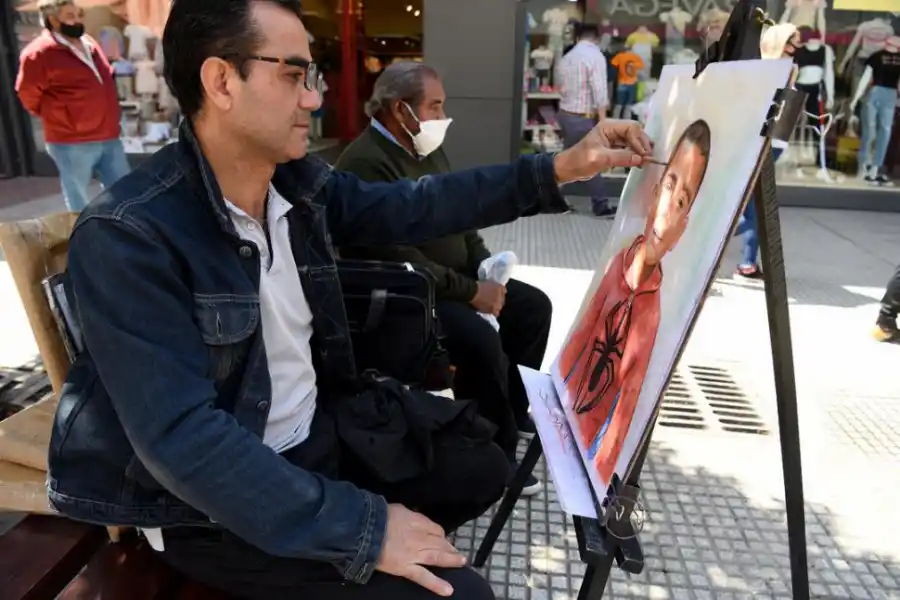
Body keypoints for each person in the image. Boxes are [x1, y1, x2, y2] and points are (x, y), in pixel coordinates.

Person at [47, 1, 653, 599]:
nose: (313, 98)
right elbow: (184, 443)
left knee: (485, 464)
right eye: (292, 75)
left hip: (316, 430)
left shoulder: (294, 183)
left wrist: (559, 169)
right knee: (462, 593)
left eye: (311, 76)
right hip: (213, 506)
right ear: (220, 80)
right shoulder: (131, 235)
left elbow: (414, 205)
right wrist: (363, 530)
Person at [334, 62, 552, 497]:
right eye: (434, 106)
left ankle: (510, 408)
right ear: (402, 109)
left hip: (457, 279)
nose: (442, 116)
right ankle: (496, 451)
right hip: (411, 295)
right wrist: (472, 292)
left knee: (532, 308)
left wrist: (486, 268)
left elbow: (460, 215)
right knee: (479, 341)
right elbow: (397, 253)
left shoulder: (425, 148)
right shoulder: (364, 164)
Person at [557, 119, 711, 485]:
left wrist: (599, 479)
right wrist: (554, 398)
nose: (666, 212)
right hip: (566, 417)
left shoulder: (652, 311)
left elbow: (627, 406)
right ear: (654, 191)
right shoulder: (619, 262)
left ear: (683, 227)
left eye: (682, 201)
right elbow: (579, 339)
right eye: (669, 186)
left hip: (589, 446)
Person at [15, 0, 130, 212]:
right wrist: (59, 115)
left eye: (78, 14)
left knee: (126, 193)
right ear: (53, 20)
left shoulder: (88, 43)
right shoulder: (39, 54)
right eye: (70, 16)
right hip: (72, 141)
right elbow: (27, 93)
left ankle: (125, 234)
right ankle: (84, 240)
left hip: (108, 134)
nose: (77, 20)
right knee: (79, 199)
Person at [734, 23, 799, 278]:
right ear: (781, 43)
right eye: (793, 42)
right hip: (769, 143)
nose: (797, 47)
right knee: (756, 207)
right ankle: (723, 236)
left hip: (765, 142)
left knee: (754, 205)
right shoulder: (784, 69)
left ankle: (748, 261)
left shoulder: (761, 69)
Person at [557, 22, 614, 218]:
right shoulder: (595, 56)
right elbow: (599, 90)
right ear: (596, 38)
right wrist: (603, 120)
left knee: (569, 159)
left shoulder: (567, 57)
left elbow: (560, 86)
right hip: (582, 117)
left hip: (566, 114)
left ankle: (550, 197)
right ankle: (601, 205)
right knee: (592, 158)